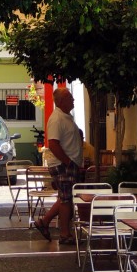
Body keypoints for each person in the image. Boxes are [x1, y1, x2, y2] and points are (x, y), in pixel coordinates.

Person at [34, 85, 83, 245]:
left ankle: (44, 221)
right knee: (66, 200)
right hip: (63, 164)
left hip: (68, 163)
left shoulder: (66, 117)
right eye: (70, 97)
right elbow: (53, 144)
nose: (73, 99)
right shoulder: (57, 119)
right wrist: (68, 162)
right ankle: (64, 233)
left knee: (65, 197)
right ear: (61, 101)